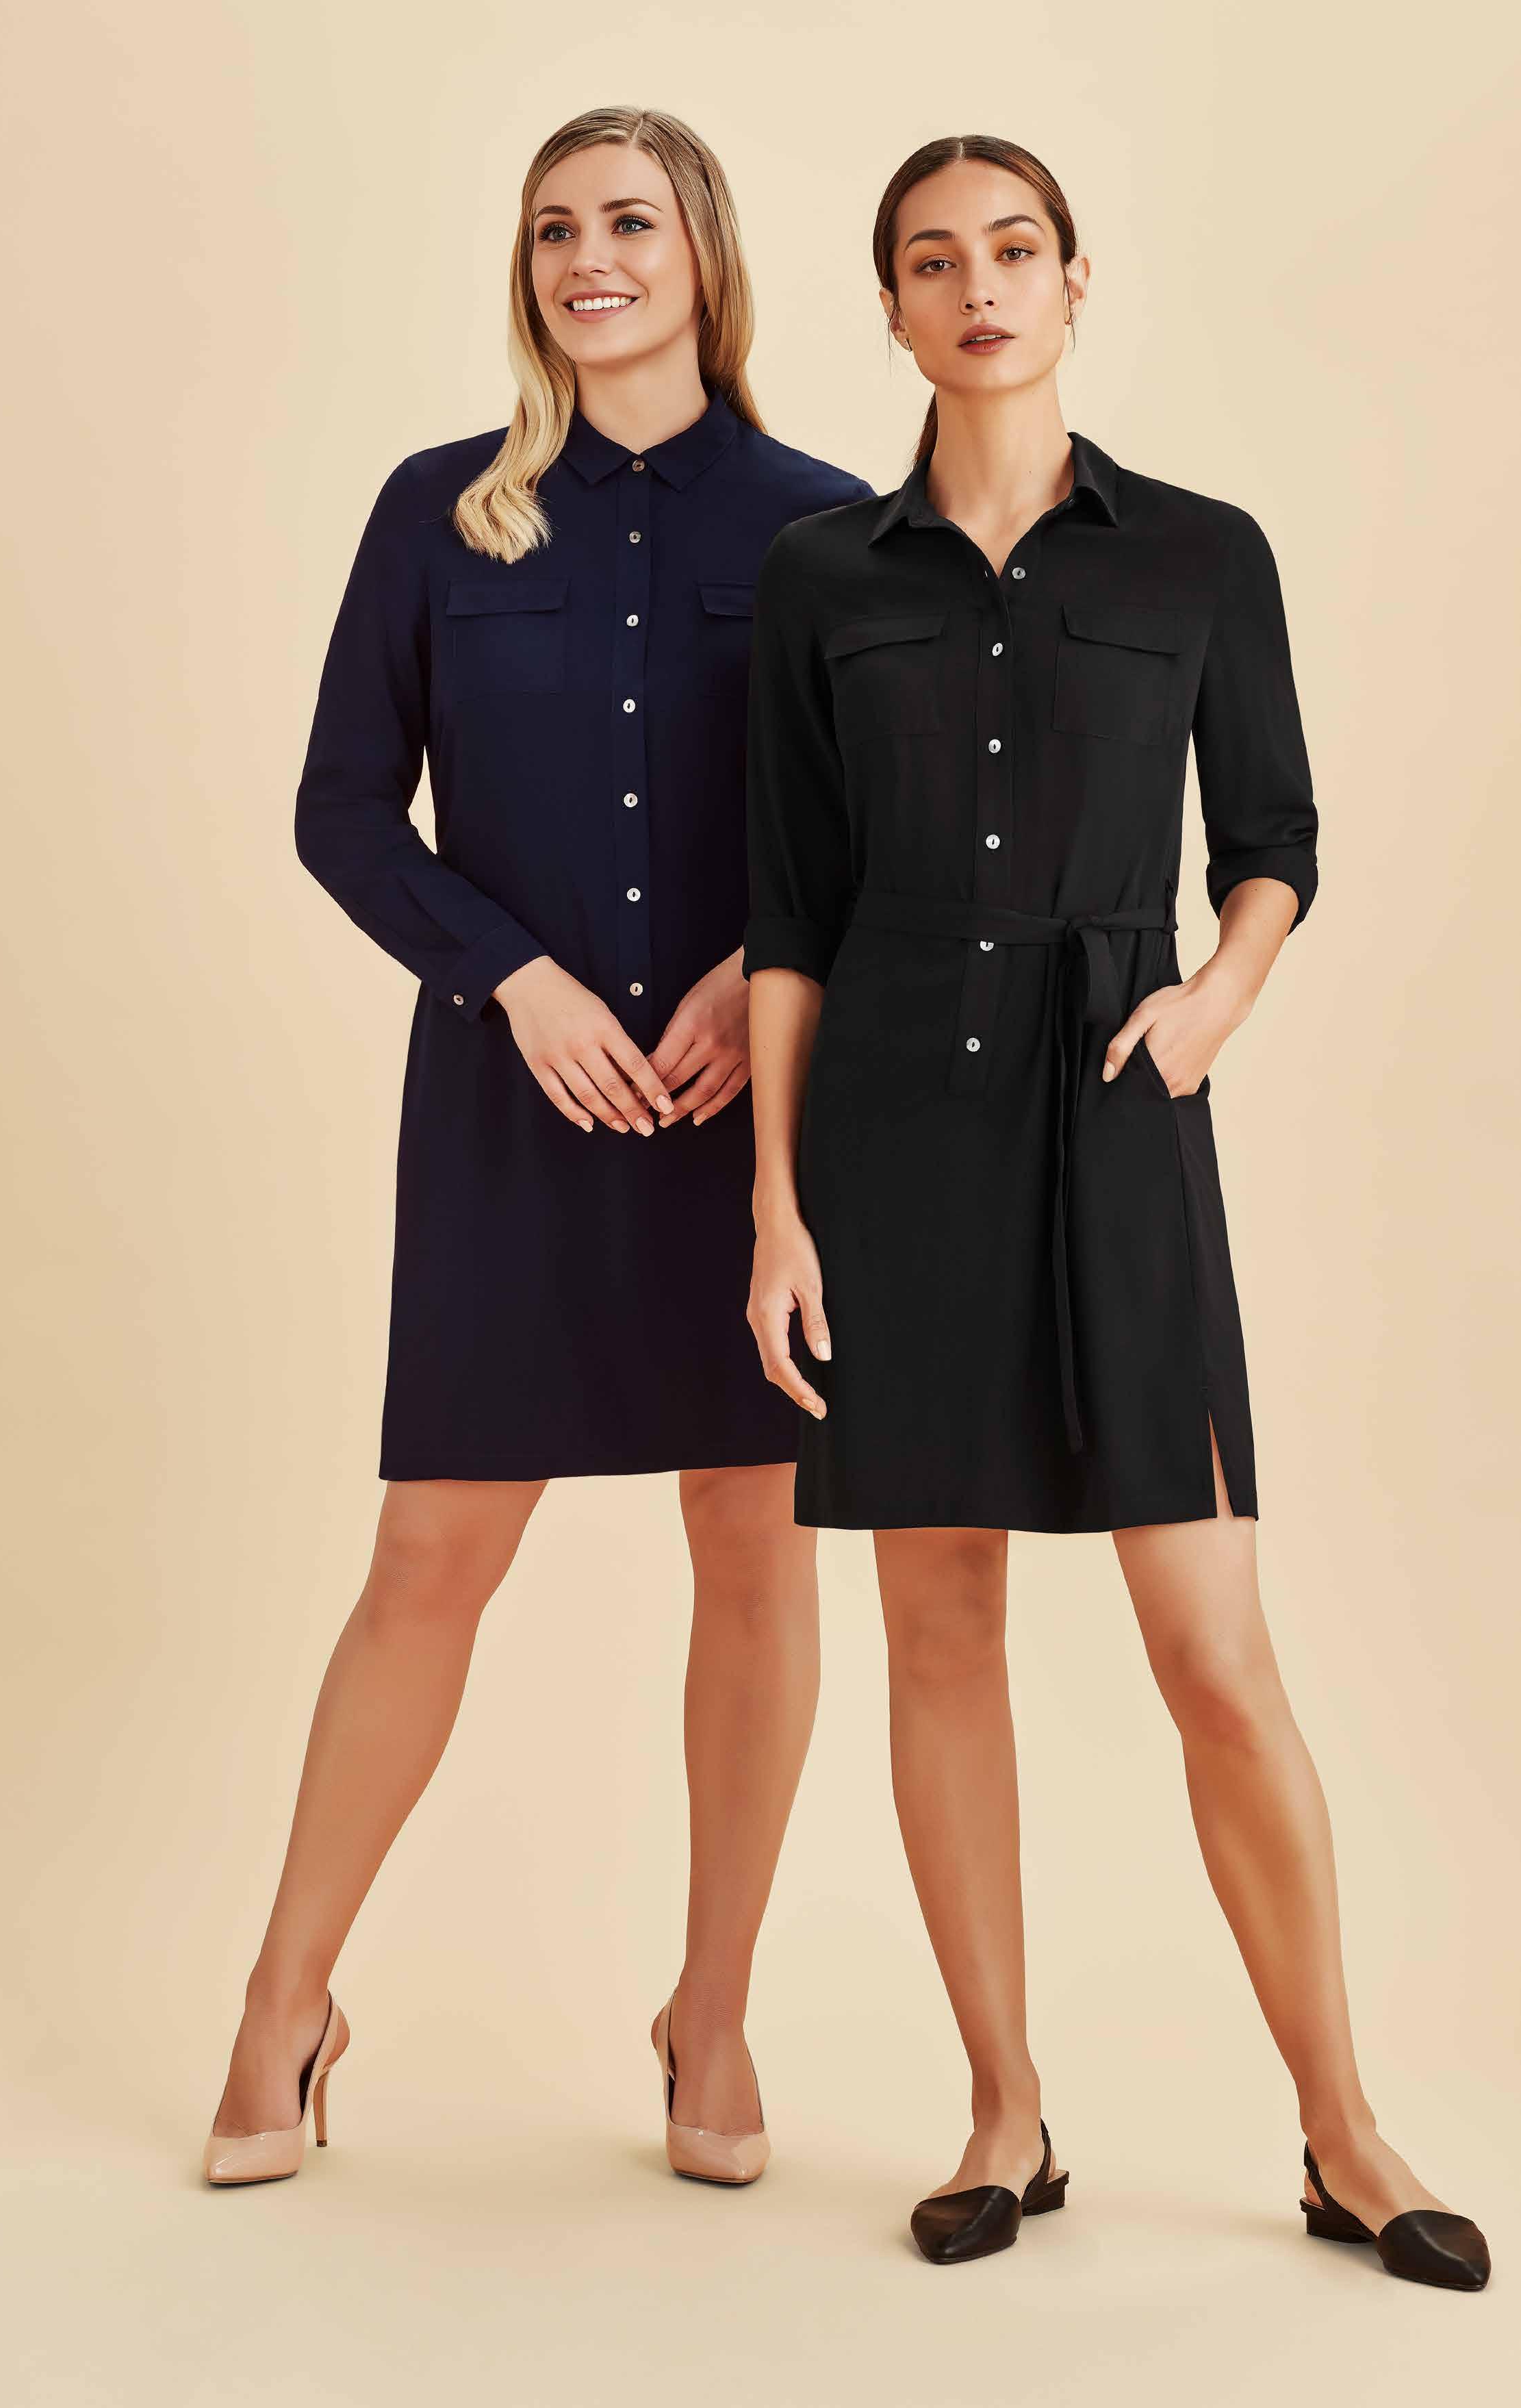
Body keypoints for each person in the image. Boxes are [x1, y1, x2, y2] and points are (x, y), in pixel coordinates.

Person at [741, 132, 1489, 2289]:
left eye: (1012, 251)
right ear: (889, 310)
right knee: (938, 1627)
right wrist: (776, 1208)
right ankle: (1002, 2112)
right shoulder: (819, 578)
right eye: (930, 261)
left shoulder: (1195, 554)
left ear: (1073, 283)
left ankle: (1342, 2130)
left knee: (1214, 1650)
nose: (975, 288)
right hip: (888, 1129)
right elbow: (787, 908)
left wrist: (1212, 1001)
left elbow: (1272, 834)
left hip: (1113, 1115)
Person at [198, 106, 871, 2192]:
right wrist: (512, 978)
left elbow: (883, 834)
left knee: (755, 1547)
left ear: (703, 254)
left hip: (749, 1120)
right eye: (556, 226)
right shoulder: (438, 513)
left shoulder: (829, 527)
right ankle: (286, 2002)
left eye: (630, 223)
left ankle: (711, 2012)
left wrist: (755, 968)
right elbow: (339, 809)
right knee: (429, 1555)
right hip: (512, 1105)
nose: (590, 258)